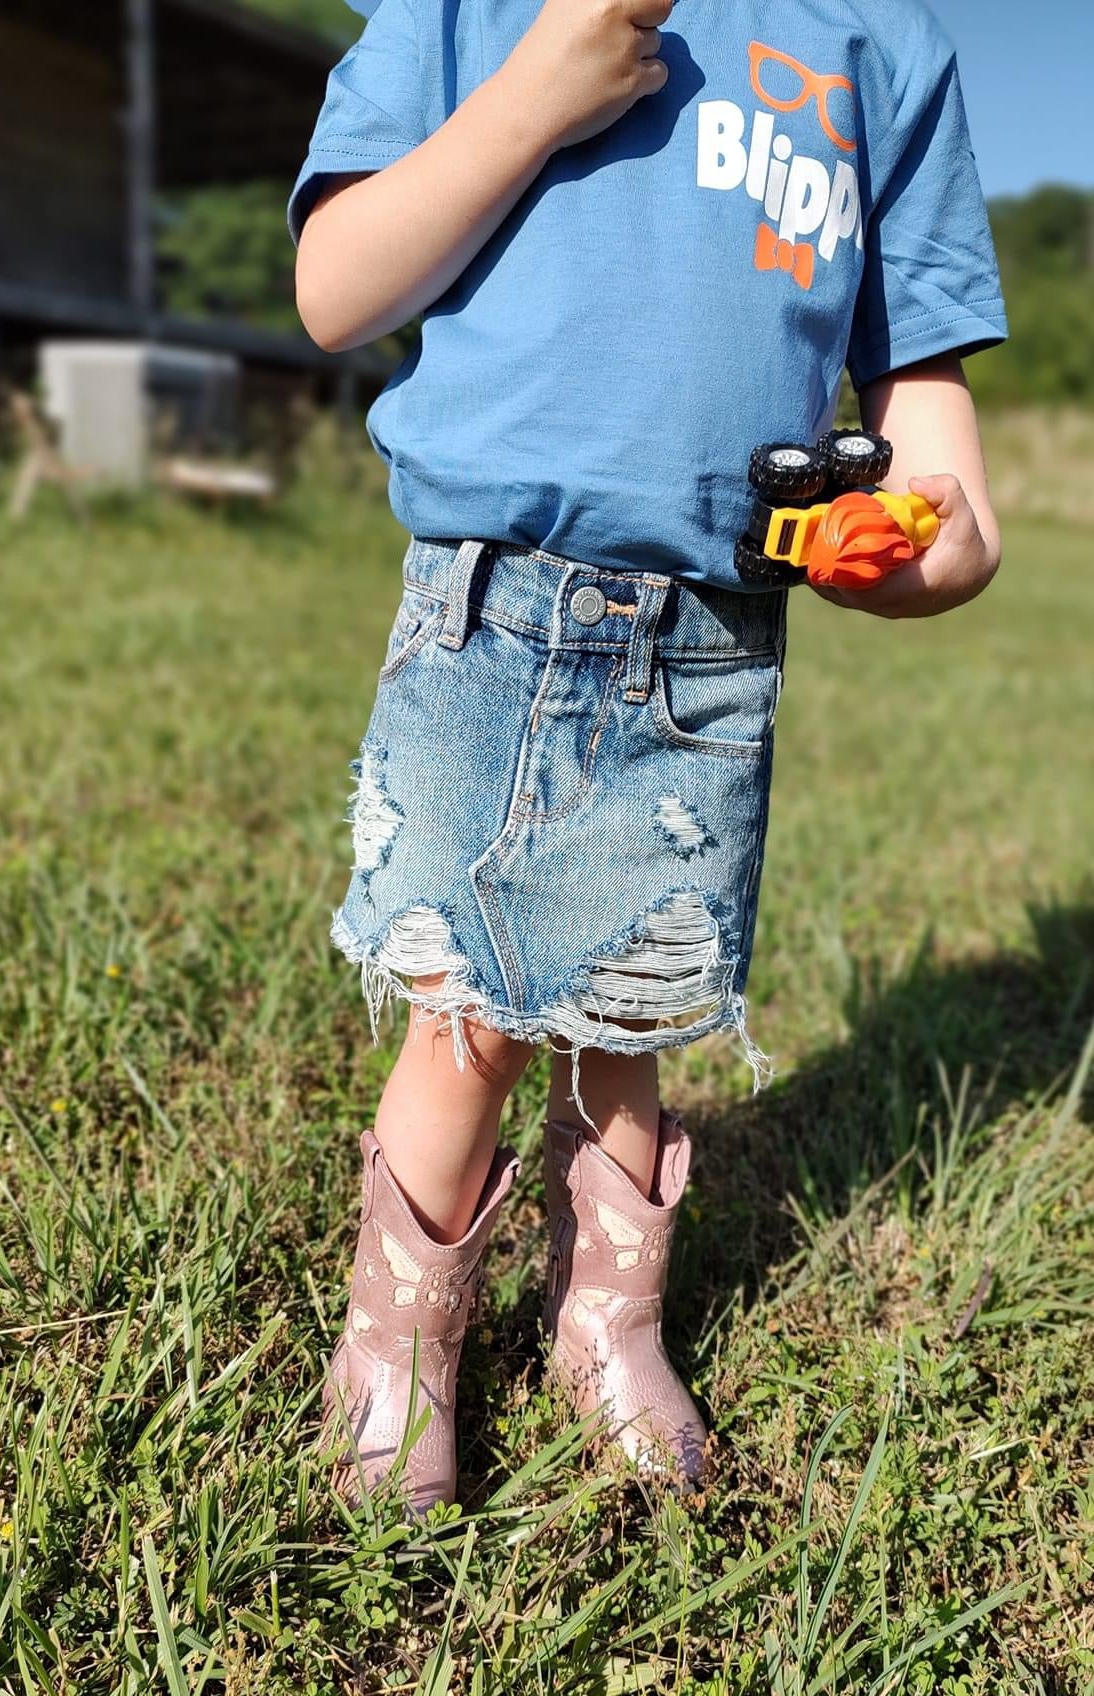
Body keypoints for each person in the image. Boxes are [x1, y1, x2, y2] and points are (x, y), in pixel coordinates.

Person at [289, 0, 1006, 1511]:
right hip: (498, 590)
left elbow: (935, 431)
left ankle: (603, 1323)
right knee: (463, 1002)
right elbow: (335, 289)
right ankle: (398, 1348)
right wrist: (539, 90)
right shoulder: (482, 6)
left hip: (717, 625)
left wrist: (925, 549)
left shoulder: (883, 44)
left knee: (638, 998)